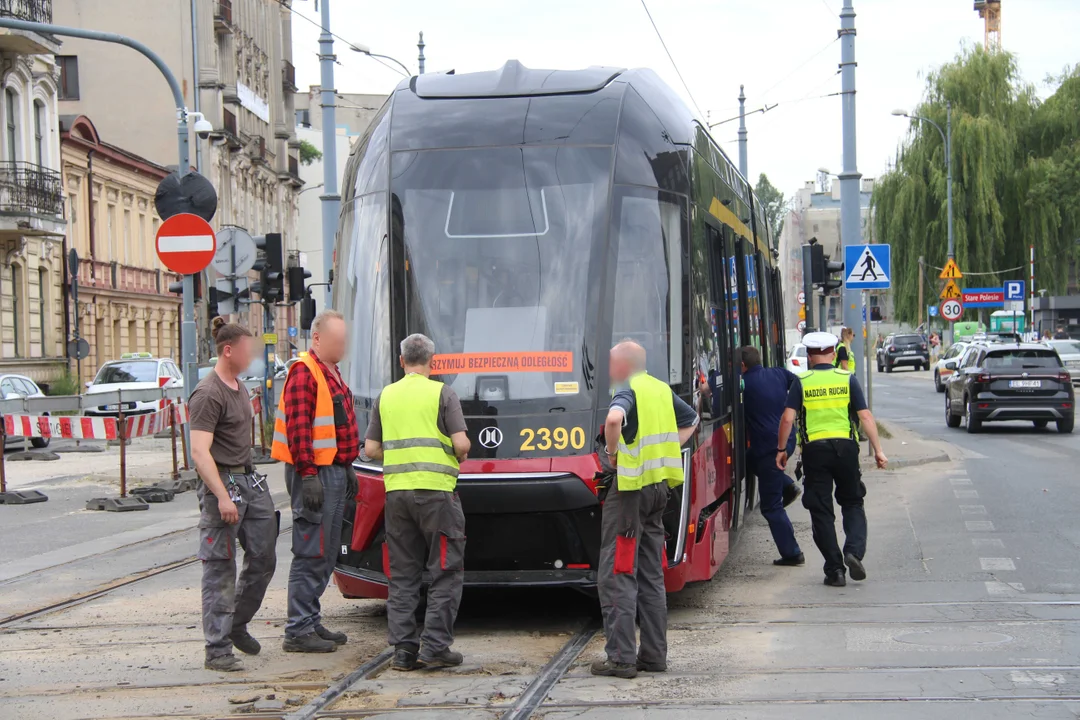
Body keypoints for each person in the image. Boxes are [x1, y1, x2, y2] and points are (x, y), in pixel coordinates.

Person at [592, 340, 698, 679]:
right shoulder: (660, 388)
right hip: (657, 493)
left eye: (612, 363)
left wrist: (612, 453)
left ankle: (620, 658)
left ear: (624, 365)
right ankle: (653, 656)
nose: (609, 369)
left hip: (629, 497)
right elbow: (691, 419)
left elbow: (613, 419)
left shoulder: (628, 389)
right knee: (652, 574)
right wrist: (664, 449)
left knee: (618, 573)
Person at [364, 333, 470, 671]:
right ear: (431, 362)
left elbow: (370, 450)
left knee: (403, 574)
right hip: (436, 496)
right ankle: (435, 647)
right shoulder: (443, 393)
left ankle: (404, 651)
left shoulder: (386, 395)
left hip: (396, 497)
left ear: (401, 361)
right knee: (444, 570)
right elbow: (462, 444)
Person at [189, 318, 276, 672]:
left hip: (249, 482)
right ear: (228, 351)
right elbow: (199, 452)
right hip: (222, 487)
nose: (251, 356)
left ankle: (236, 624)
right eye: (246, 350)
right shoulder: (208, 393)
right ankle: (218, 648)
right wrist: (222, 496)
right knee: (220, 570)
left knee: (264, 557)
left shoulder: (239, 386)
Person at [271, 310, 359, 653]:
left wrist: (346, 464)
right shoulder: (304, 373)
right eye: (337, 341)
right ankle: (297, 629)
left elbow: (334, 425)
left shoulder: (329, 372)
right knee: (311, 551)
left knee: (325, 551)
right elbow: (298, 430)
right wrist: (308, 475)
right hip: (316, 475)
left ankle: (309, 619)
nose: (342, 347)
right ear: (318, 339)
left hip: (332, 471)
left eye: (344, 341)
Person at [777, 332, 887, 588]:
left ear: (809, 354)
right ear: (833, 351)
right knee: (853, 502)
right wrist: (878, 450)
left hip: (815, 451)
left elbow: (787, 419)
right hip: (847, 449)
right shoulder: (847, 378)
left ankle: (835, 570)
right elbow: (866, 416)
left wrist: (782, 449)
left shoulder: (801, 381)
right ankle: (854, 551)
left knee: (821, 511)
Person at [738, 346, 803, 566]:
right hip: (788, 440)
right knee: (747, 460)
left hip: (771, 450)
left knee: (771, 507)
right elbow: (798, 383)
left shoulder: (744, 383)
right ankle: (786, 484)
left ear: (742, 366)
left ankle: (792, 553)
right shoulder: (779, 373)